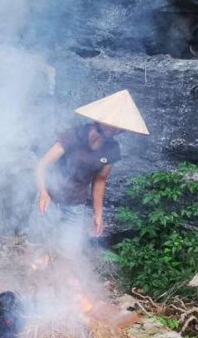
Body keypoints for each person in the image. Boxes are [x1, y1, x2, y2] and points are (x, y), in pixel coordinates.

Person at [30, 90, 149, 267]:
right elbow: (43, 164)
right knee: (36, 245)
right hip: (51, 198)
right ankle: (32, 276)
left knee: (68, 252)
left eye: (121, 127)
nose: (117, 130)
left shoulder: (112, 150)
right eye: (114, 124)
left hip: (76, 205)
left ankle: (57, 280)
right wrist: (43, 192)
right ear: (102, 119)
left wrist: (98, 214)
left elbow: (100, 181)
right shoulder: (74, 135)